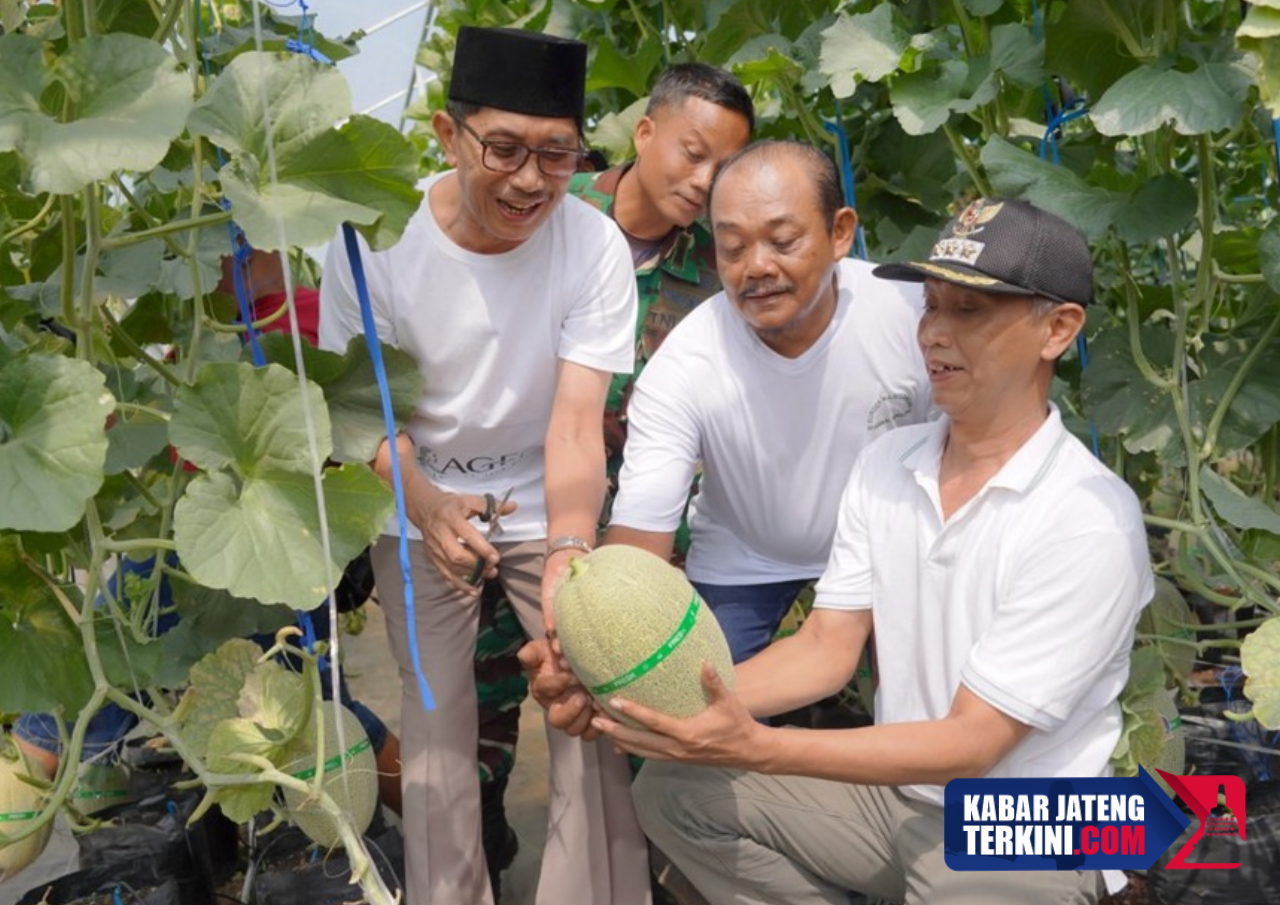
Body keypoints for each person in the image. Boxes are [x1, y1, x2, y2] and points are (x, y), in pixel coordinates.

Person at [594, 198, 1155, 904]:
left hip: (1032, 821)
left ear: (1058, 328)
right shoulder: (889, 460)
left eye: (970, 312)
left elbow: (974, 742)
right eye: (930, 306)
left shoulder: (1088, 517)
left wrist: (763, 745)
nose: (935, 335)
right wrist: (665, 707)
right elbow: (829, 647)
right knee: (679, 790)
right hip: (899, 800)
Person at [318, 26, 648, 905]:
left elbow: (578, 424)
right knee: (435, 738)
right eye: (503, 148)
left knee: (588, 701)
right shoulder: (370, 246)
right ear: (447, 133)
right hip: (418, 498)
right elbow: (365, 417)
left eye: (557, 153)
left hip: (549, 496)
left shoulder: (595, 247)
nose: (532, 179)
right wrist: (427, 506)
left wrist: (574, 550)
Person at [468, 61, 753, 900]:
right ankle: (480, 841)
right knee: (481, 703)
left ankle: (633, 867)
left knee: (627, 712)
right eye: (693, 155)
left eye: (723, 170)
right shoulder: (549, 206)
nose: (703, 184)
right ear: (646, 132)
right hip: (517, 504)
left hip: (639, 529)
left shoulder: (720, 262)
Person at [603, 139, 931, 663]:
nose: (757, 267)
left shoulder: (913, 315)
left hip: (892, 550)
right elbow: (640, 538)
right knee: (689, 704)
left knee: (922, 712)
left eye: (782, 241)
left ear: (840, 232)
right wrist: (608, 641)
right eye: (732, 248)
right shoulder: (687, 363)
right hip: (744, 557)